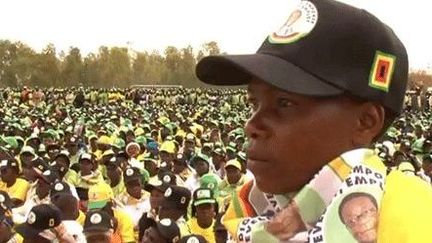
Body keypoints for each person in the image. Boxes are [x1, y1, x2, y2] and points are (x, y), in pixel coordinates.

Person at [195, 0, 432, 242]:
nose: (251, 126)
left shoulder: (416, 222)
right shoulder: (246, 215)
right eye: (253, 104)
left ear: (365, 122)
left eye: (284, 103)